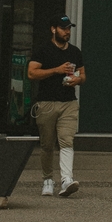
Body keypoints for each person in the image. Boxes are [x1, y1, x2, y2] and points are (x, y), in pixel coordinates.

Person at [28, 16, 85, 198]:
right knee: (47, 144)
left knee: (67, 140)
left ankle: (67, 179)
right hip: (46, 103)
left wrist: (78, 80)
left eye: (69, 28)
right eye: (63, 28)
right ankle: (47, 179)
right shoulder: (43, 51)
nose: (67, 32)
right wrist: (56, 70)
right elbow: (31, 73)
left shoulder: (75, 52)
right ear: (54, 29)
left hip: (69, 103)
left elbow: (83, 75)